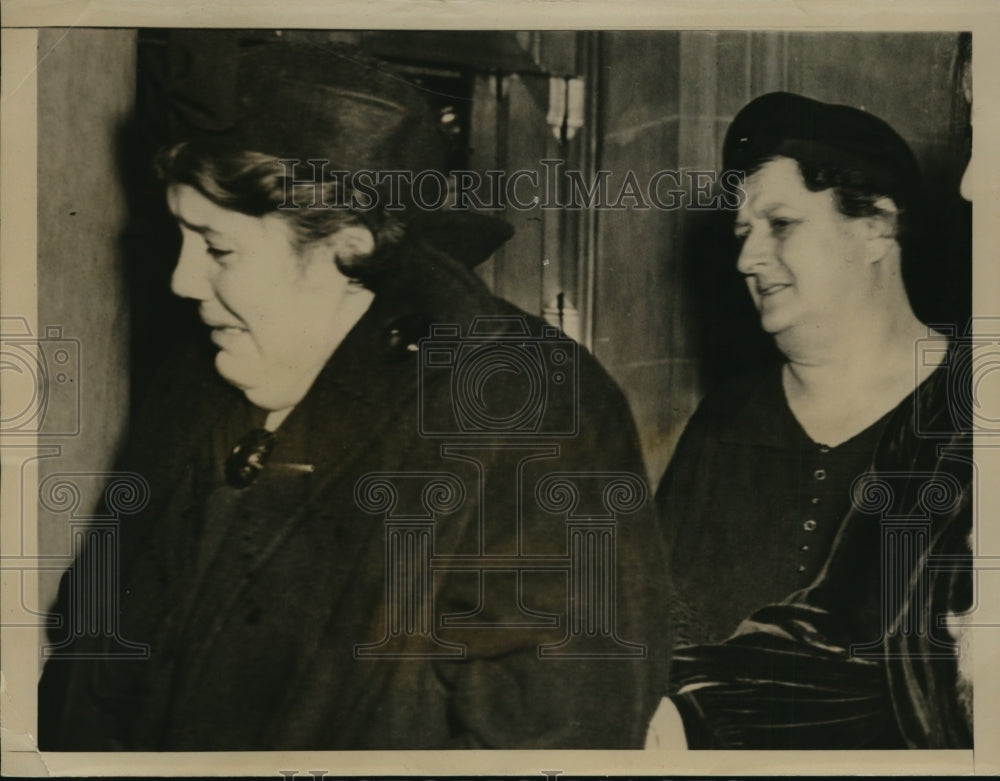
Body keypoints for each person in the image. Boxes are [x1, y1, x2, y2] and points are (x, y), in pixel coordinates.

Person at [38, 38, 669, 751]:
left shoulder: (531, 411)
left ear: (349, 244)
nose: (182, 282)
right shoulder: (193, 385)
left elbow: (555, 739)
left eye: (218, 248)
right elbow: (87, 664)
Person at [649, 91, 973, 749]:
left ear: (877, 225)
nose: (747, 259)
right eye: (744, 233)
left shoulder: (972, 414)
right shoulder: (726, 422)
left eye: (781, 224)